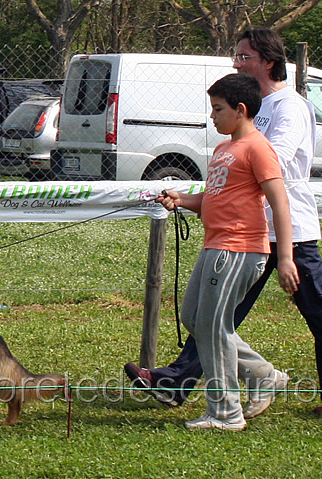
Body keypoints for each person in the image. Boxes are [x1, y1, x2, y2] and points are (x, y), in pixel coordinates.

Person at [125, 28, 322, 417]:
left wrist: (233, 166)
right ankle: (192, 380)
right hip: (248, 233)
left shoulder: (288, 106)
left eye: (244, 57)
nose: (236, 62)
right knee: (209, 317)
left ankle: (210, 394)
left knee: (314, 314)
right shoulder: (249, 117)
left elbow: (272, 165)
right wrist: (195, 197)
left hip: (290, 234)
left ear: (269, 61)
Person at [155, 73, 298, 430]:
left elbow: (280, 202)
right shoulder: (224, 150)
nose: (212, 116)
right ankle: (263, 374)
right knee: (195, 319)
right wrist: (183, 200)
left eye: (218, 109)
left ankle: (225, 412)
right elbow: (214, 198)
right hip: (214, 246)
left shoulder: (258, 148)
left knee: (213, 326)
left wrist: (285, 257)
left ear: (241, 109)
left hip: (239, 249)